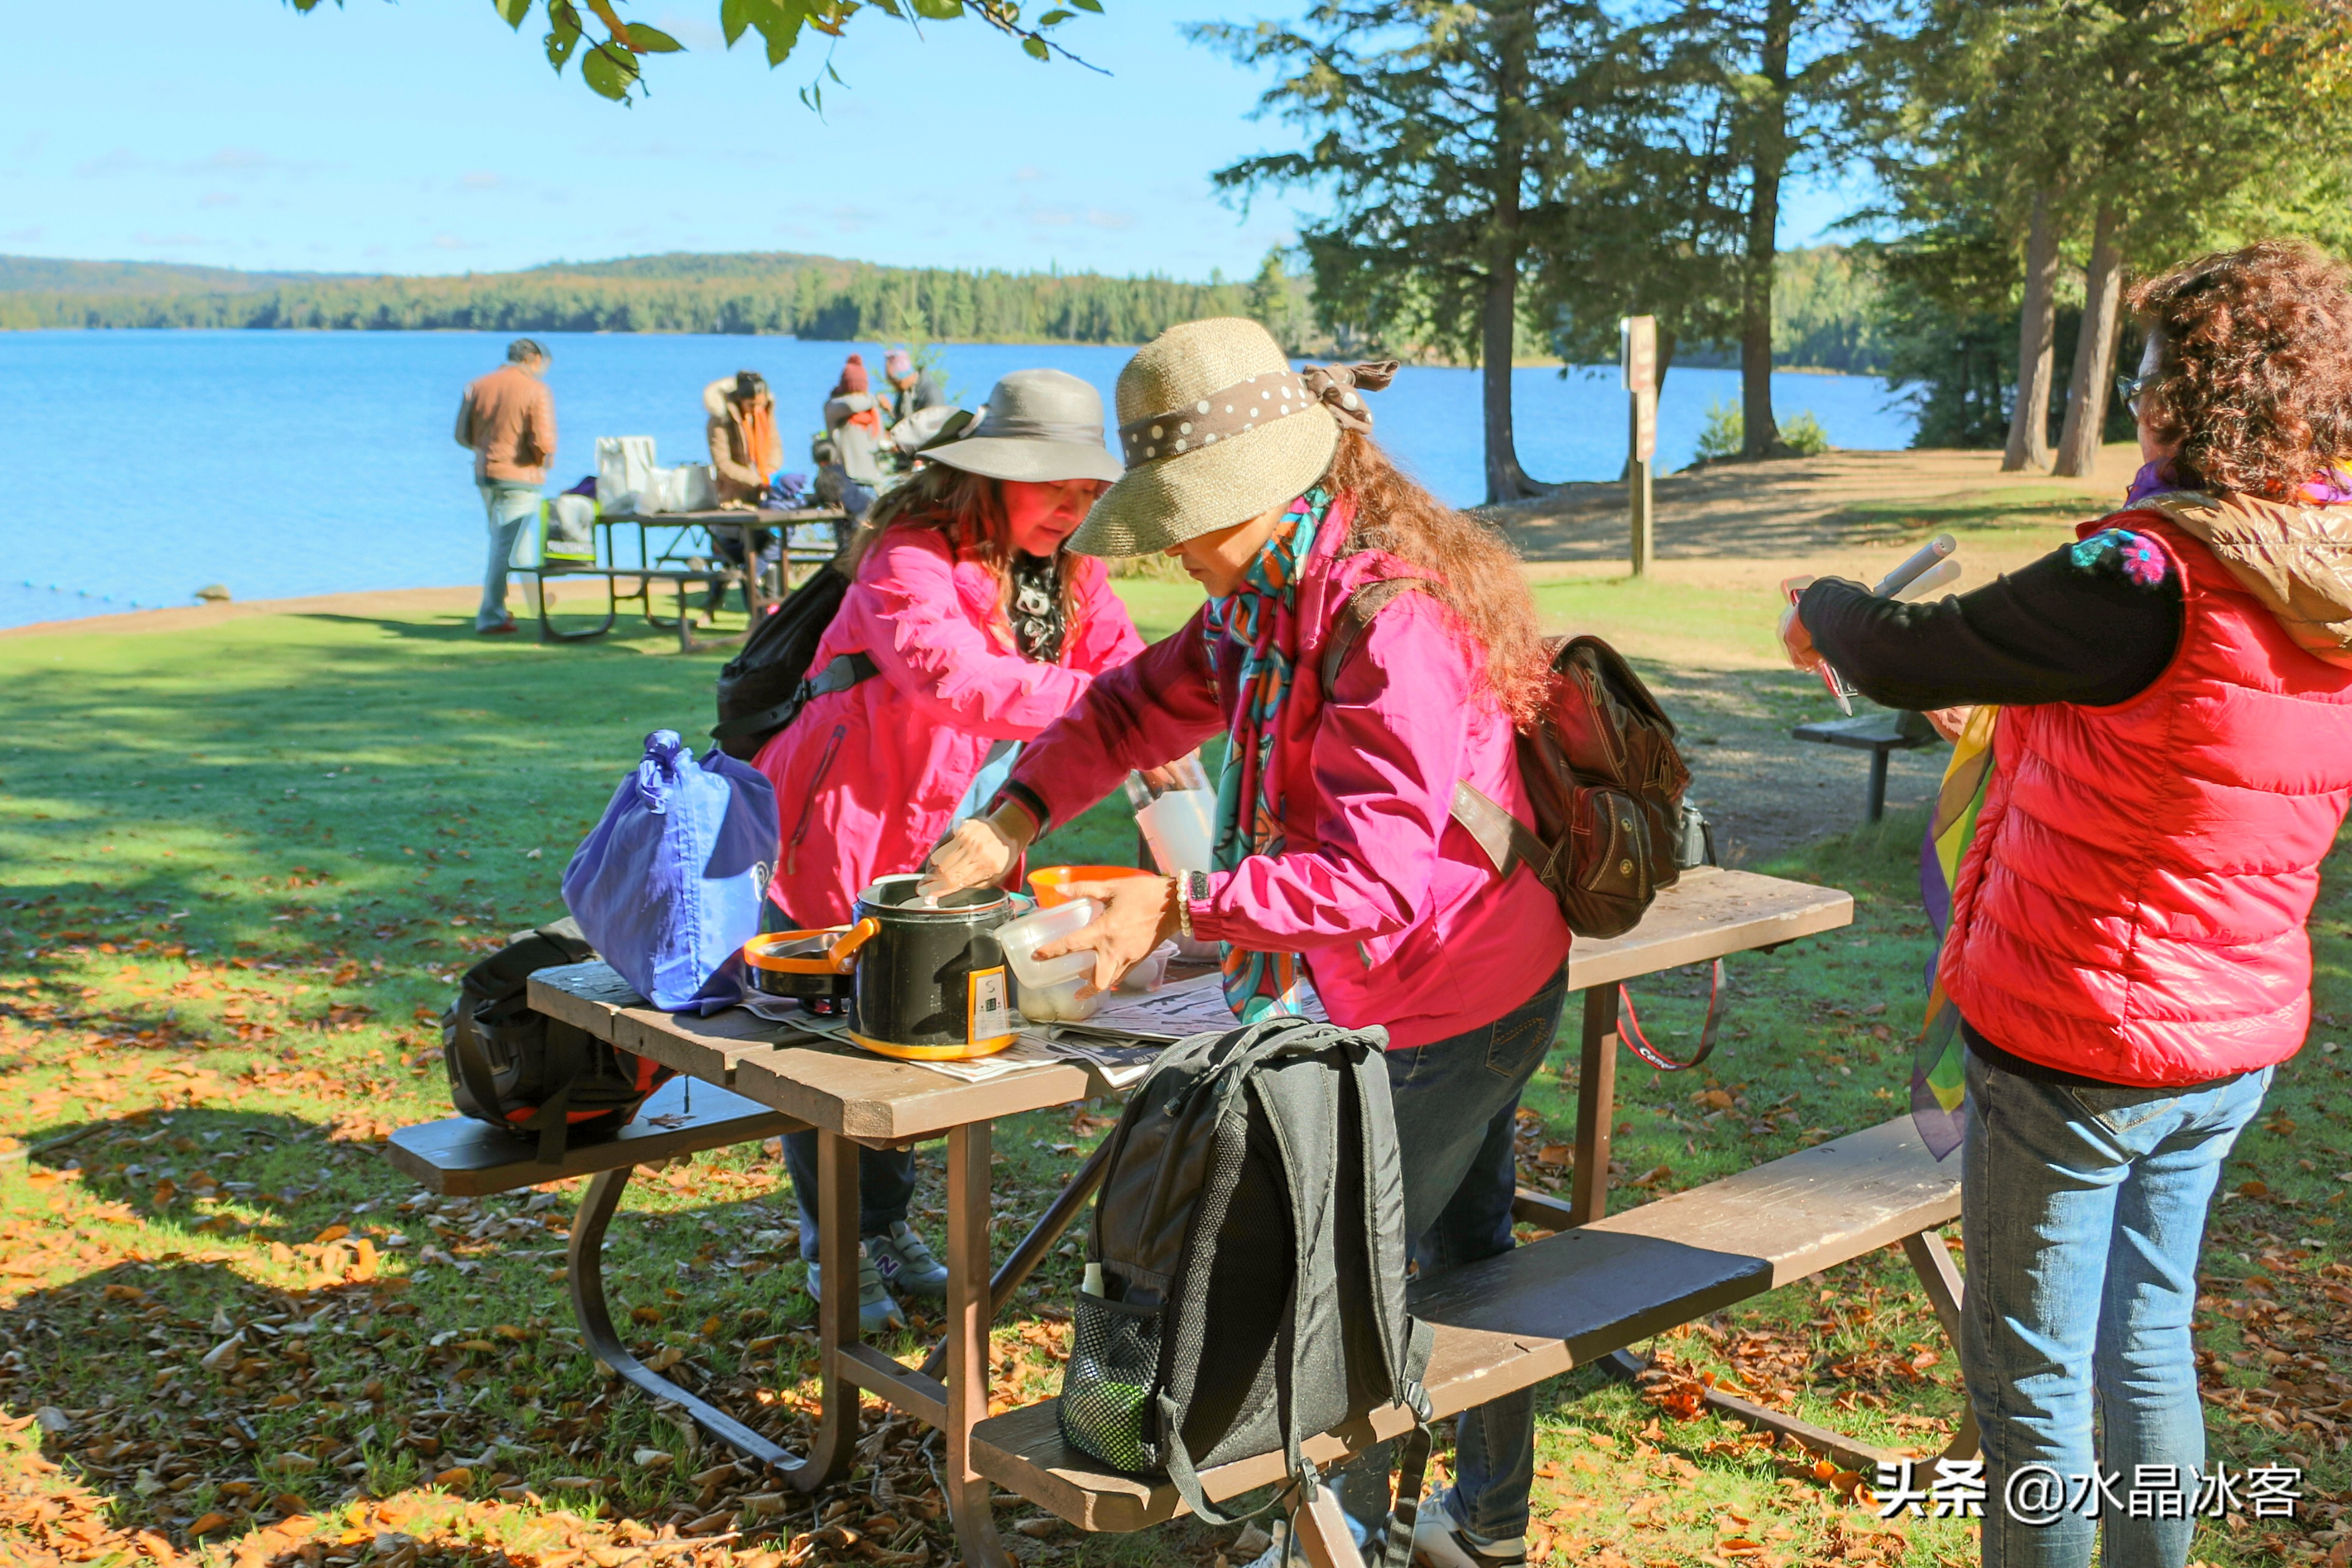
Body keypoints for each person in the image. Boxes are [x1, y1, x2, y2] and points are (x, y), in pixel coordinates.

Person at [921, 318, 1570, 1568]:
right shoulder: (1264, 601)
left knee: (1354, 1279)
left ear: (1262, 489)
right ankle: (1485, 1524)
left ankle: (1350, 1535)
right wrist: (1015, 813)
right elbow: (1131, 705)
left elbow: (1372, 879)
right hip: (1426, 977)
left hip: (1453, 992)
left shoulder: (1388, 619)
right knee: (1465, 1256)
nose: (1170, 547)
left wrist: (1176, 904)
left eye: (1182, 517)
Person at [1781, 241, 2352, 1568]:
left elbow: (1908, 648)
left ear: (2195, 399)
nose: (2136, 399)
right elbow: (2167, 746)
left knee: (2030, 1383)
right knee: (2145, 1340)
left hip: (2081, 1041)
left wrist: (1822, 602)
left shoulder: (2147, 571)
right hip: (2226, 1040)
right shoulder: (2320, 563)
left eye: (2148, 375)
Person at [753, 367, 1147, 1331]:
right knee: (838, 1048)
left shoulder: (1071, 573)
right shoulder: (908, 553)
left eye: (1089, 488)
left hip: (962, 834)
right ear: (991, 475)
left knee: (924, 1032)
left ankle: (884, 1225)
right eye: (1053, 485)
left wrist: (1155, 712)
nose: (1075, 507)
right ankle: (835, 1240)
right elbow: (952, 678)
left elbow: (1135, 669)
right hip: (841, 825)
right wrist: (1118, 710)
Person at [452, 337, 556, 635]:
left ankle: (537, 603)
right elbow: (543, 441)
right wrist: (542, 463)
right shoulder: (535, 389)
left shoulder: (477, 386)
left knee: (515, 543)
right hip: (520, 477)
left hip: (486, 475)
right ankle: (491, 614)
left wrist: (486, 451)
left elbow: (462, 435)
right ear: (534, 359)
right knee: (504, 546)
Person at [704, 370, 782, 609]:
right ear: (740, 400)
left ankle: (770, 608)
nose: (756, 409)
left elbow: (775, 445)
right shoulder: (720, 420)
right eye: (752, 405)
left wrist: (771, 472)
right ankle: (741, 607)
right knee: (736, 552)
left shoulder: (765, 414)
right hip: (733, 498)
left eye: (760, 404)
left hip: (763, 497)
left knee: (770, 546)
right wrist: (755, 480)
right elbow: (723, 464)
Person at [818, 352, 899, 521]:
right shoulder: (835, 407)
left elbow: (879, 442)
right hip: (847, 483)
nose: (858, 397)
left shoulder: (871, 412)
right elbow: (852, 405)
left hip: (872, 483)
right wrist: (876, 400)